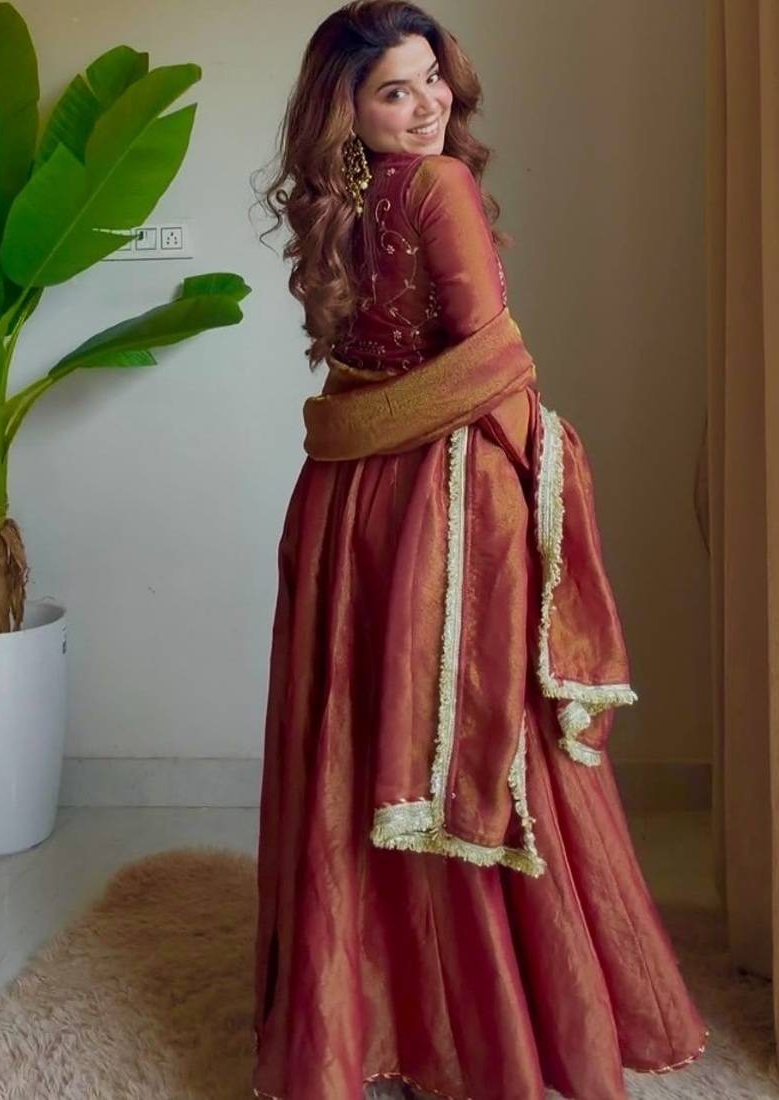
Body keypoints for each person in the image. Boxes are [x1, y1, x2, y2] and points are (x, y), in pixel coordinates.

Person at [250, 3, 709, 1098]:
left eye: (431, 80)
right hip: (444, 500)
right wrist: (541, 466)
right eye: (393, 92)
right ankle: (499, 1030)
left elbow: (366, 358)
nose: (425, 107)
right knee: (479, 744)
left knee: (365, 736)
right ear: (345, 112)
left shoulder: (341, 203)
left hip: (346, 498)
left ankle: (364, 1023)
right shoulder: (438, 185)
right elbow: (493, 355)